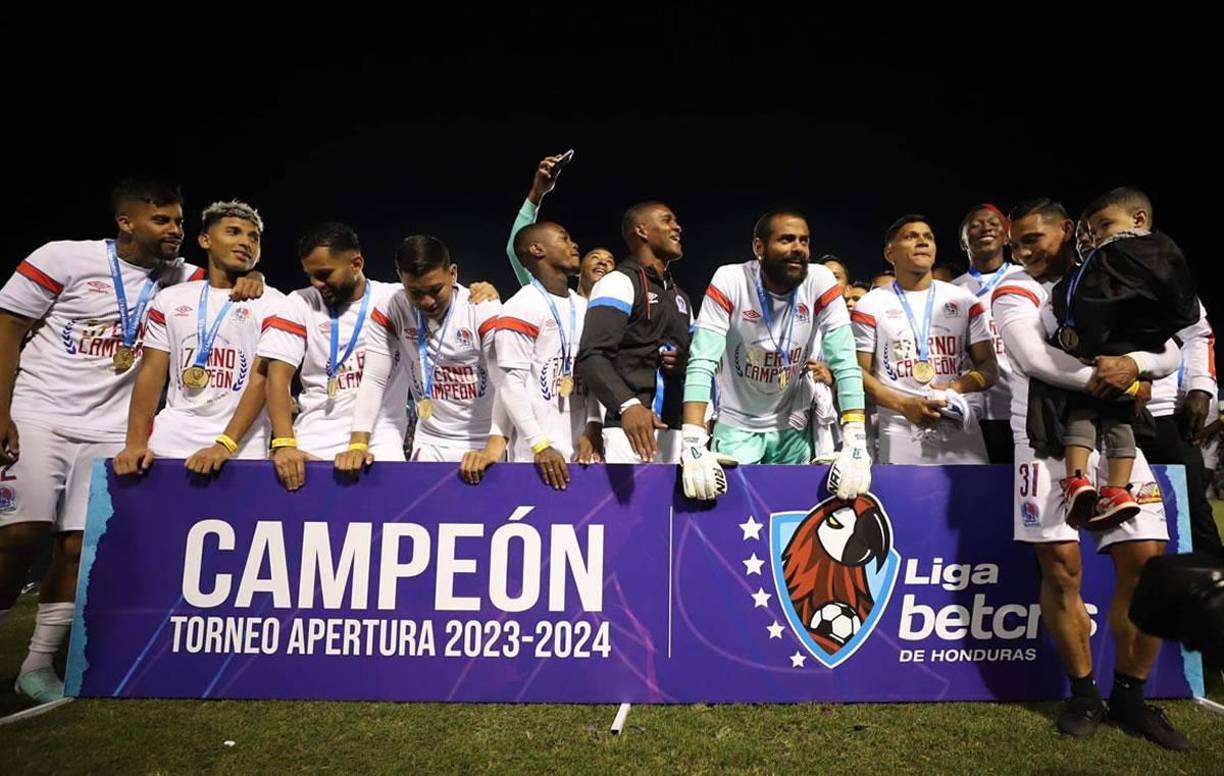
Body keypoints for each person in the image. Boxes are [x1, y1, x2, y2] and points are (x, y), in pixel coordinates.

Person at [0, 180, 263, 701]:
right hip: (39, 414)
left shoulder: (180, 279)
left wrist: (252, 273)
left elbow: (224, 276)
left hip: (110, 429)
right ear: (126, 222)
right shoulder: (62, 259)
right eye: (162, 221)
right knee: (19, 536)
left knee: (78, 547)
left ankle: (36, 667)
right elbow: (8, 326)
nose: (175, 232)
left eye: (181, 223)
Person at [995, 197, 1187, 749]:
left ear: (1068, 231)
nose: (1024, 251)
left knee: (1146, 563)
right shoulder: (1015, 289)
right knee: (1061, 568)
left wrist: (1139, 365)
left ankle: (1131, 696)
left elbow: (1170, 347)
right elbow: (1035, 359)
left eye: (1034, 238)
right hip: (1042, 434)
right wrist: (1119, 380)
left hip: (1116, 432)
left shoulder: (1113, 269)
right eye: (1017, 244)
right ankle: (1083, 694)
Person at [678, 210, 870, 501]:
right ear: (759, 248)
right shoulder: (730, 280)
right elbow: (702, 361)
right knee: (733, 521)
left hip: (791, 424)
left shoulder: (820, 281)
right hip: (737, 423)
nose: (798, 248)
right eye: (786, 239)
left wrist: (856, 439)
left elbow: (845, 363)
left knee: (792, 511)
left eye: (804, 241)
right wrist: (692, 438)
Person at [114, 201, 284, 476]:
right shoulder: (170, 298)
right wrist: (135, 443)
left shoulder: (275, 303)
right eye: (233, 232)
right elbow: (151, 373)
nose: (245, 242)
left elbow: (261, 379)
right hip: (169, 443)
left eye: (254, 237)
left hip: (242, 448)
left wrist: (224, 446)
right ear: (205, 240)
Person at [852, 215, 998, 464]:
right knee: (902, 503)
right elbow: (858, 372)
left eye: (928, 237)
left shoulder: (964, 300)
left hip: (958, 426)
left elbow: (989, 367)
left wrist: (957, 389)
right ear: (890, 252)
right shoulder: (870, 303)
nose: (922, 241)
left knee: (970, 501)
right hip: (900, 428)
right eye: (911, 236)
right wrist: (903, 405)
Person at [576, 202, 692, 463]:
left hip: (674, 429)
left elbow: (693, 358)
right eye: (667, 220)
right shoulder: (617, 282)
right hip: (629, 429)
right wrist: (628, 405)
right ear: (642, 231)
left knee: (670, 506)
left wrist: (684, 363)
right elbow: (592, 355)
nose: (677, 227)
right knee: (632, 506)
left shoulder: (681, 296)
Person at [951, 203, 1025, 464]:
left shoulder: (1026, 279)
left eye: (994, 224)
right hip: (973, 409)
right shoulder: (951, 290)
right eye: (975, 225)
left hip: (1024, 407)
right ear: (963, 242)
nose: (985, 228)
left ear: (1006, 236)